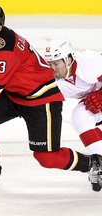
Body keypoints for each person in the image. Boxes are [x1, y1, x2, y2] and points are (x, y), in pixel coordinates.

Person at [0, 3, 94, 191]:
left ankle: (93, 164)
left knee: (46, 158)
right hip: (14, 95)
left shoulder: (5, 50)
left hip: (41, 100)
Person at [43, 39, 102, 191]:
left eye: (56, 63)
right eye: (49, 64)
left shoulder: (89, 61)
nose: (52, 68)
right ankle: (100, 162)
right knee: (80, 115)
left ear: (68, 59)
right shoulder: (52, 81)